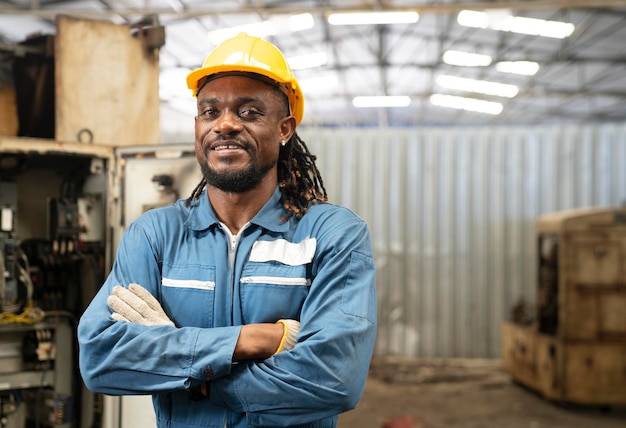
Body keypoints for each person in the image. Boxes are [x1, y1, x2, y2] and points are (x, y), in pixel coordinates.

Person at [78, 32, 377, 428]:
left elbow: (334, 379)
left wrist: (194, 378)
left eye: (249, 112)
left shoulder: (333, 234)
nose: (226, 125)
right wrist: (252, 340)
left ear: (285, 128)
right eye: (210, 111)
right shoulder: (156, 236)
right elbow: (100, 357)